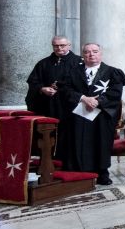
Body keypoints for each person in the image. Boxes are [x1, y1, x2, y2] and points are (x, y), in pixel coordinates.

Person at [59, 43, 125, 185]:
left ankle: (102, 172)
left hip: (102, 115)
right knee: (77, 142)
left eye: (95, 51)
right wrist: (83, 98)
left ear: (100, 53)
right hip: (79, 114)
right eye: (87, 52)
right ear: (83, 55)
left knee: (101, 143)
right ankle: (79, 172)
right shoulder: (72, 72)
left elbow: (115, 92)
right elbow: (65, 90)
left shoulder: (112, 72)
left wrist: (98, 102)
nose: (91, 55)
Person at [25, 35, 83, 163]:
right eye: (56, 46)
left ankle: (67, 162)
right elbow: (33, 82)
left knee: (68, 134)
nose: (59, 48)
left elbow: (82, 85)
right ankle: (46, 161)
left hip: (68, 107)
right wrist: (42, 89)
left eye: (62, 45)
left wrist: (63, 89)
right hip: (47, 106)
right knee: (47, 135)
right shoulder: (43, 63)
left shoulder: (79, 62)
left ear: (69, 45)